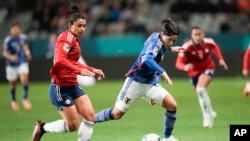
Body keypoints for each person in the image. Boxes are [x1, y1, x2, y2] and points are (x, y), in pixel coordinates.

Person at [95, 18, 184, 141]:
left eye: (174, 41)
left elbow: (159, 47)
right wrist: (163, 72)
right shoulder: (155, 42)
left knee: (172, 105)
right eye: (170, 40)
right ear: (163, 34)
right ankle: (90, 119)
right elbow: (146, 59)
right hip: (135, 82)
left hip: (150, 83)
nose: (171, 43)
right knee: (116, 114)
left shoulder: (158, 37)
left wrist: (170, 48)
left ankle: (168, 138)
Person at [31, 3, 105, 141]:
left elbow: (73, 62)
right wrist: (81, 71)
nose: (82, 29)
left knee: (90, 116)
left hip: (73, 86)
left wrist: (91, 69)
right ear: (70, 24)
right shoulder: (66, 38)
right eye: (79, 26)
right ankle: (42, 128)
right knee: (73, 125)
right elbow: (60, 60)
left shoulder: (74, 40)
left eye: (84, 26)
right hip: (60, 88)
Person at [175, 26, 228, 128]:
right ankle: (210, 112)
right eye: (195, 35)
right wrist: (184, 67)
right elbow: (178, 63)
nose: (198, 37)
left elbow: (215, 47)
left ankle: (207, 117)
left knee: (200, 89)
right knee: (200, 94)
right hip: (193, 72)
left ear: (203, 35)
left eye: (200, 34)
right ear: (192, 36)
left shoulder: (209, 42)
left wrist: (221, 60)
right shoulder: (186, 46)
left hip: (208, 68)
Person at [3, 21, 32, 111]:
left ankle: (25, 99)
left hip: (22, 62)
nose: (16, 30)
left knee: (24, 78)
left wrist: (28, 53)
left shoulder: (23, 38)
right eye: (14, 28)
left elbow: (26, 47)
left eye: (17, 28)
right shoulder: (8, 40)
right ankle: (14, 100)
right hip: (11, 64)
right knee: (13, 83)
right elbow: (4, 52)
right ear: (11, 30)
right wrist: (11, 57)